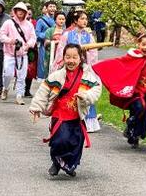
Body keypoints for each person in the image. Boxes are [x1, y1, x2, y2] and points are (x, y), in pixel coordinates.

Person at [92, 32, 146, 148]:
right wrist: (101, 66)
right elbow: (119, 63)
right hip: (136, 92)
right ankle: (130, 124)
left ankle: (134, 135)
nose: (145, 47)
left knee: (145, 116)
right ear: (138, 44)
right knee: (139, 108)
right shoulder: (132, 57)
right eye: (143, 44)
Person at [30, 44, 102, 177]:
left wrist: (85, 96)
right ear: (63, 58)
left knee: (76, 144)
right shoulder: (56, 76)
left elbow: (96, 90)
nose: (71, 60)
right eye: (68, 57)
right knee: (60, 140)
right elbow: (43, 91)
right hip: (60, 116)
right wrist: (36, 108)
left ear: (81, 58)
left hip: (76, 117)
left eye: (75, 57)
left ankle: (68, 165)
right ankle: (57, 163)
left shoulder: (88, 77)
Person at [53, 11, 100, 132]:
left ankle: (88, 121)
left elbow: (94, 53)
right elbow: (61, 51)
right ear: (75, 21)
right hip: (70, 68)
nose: (85, 21)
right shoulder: (67, 35)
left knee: (85, 92)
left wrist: (87, 57)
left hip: (84, 67)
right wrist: (62, 63)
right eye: (82, 19)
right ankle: (68, 117)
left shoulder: (89, 36)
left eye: (86, 19)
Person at [0, 2, 37, 105]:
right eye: (18, 10)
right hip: (9, 53)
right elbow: (1, 35)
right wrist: (11, 41)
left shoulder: (29, 25)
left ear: (25, 12)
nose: (20, 12)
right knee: (8, 74)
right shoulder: (8, 23)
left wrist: (28, 45)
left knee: (22, 76)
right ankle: (5, 88)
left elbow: (33, 37)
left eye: (22, 11)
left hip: (23, 54)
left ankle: (19, 95)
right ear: (15, 11)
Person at [35, 0, 57, 81]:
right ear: (46, 8)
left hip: (56, 46)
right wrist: (48, 35)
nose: (52, 8)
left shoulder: (58, 19)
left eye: (54, 6)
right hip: (44, 46)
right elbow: (37, 34)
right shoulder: (41, 20)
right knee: (44, 65)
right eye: (50, 6)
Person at [24, 3, 38, 98]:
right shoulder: (17, 23)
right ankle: (20, 89)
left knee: (31, 70)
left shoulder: (34, 22)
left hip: (32, 49)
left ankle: (27, 90)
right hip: (21, 48)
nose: (28, 15)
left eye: (30, 14)